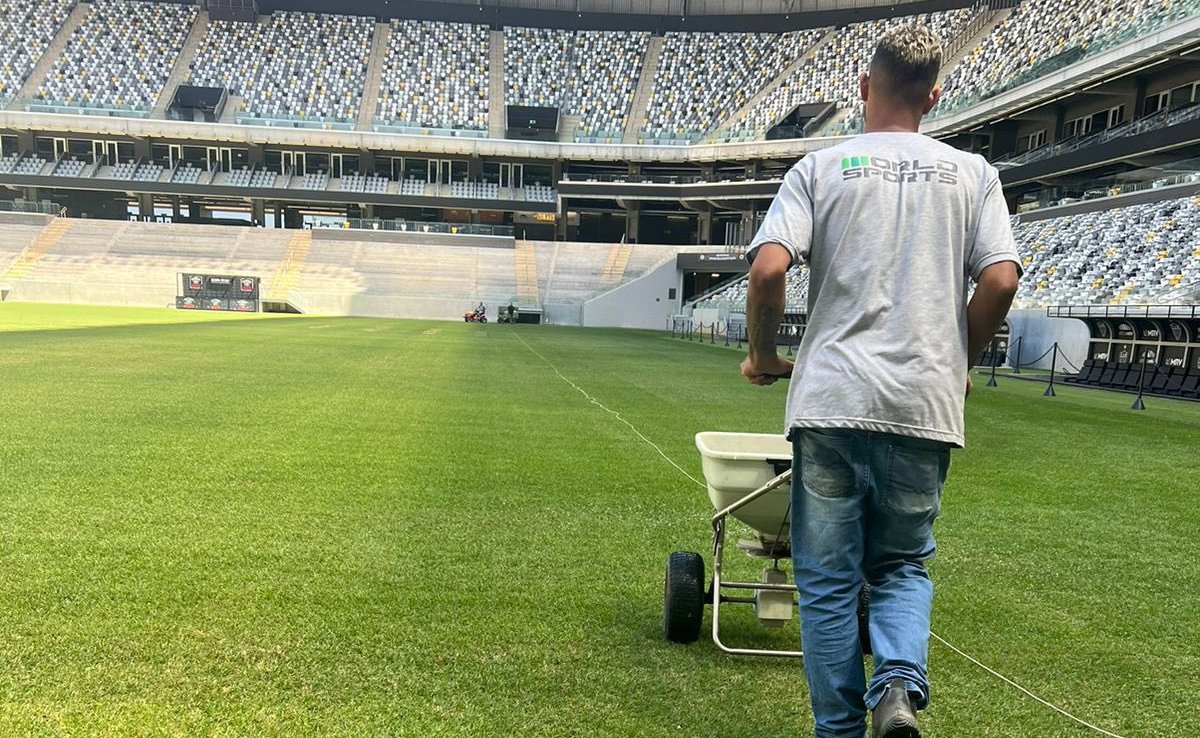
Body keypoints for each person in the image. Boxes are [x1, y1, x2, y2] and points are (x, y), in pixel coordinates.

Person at [739, 25, 1021, 738]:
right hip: (922, 401)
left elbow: (769, 270)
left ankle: (839, 730)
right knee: (900, 566)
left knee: (829, 584)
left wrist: (763, 356)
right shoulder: (974, 173)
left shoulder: (820, 168)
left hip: (832, 400)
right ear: (933, 96)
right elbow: (1000, 279)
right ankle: (896, 686)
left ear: (864, 89)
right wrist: (959, 357)